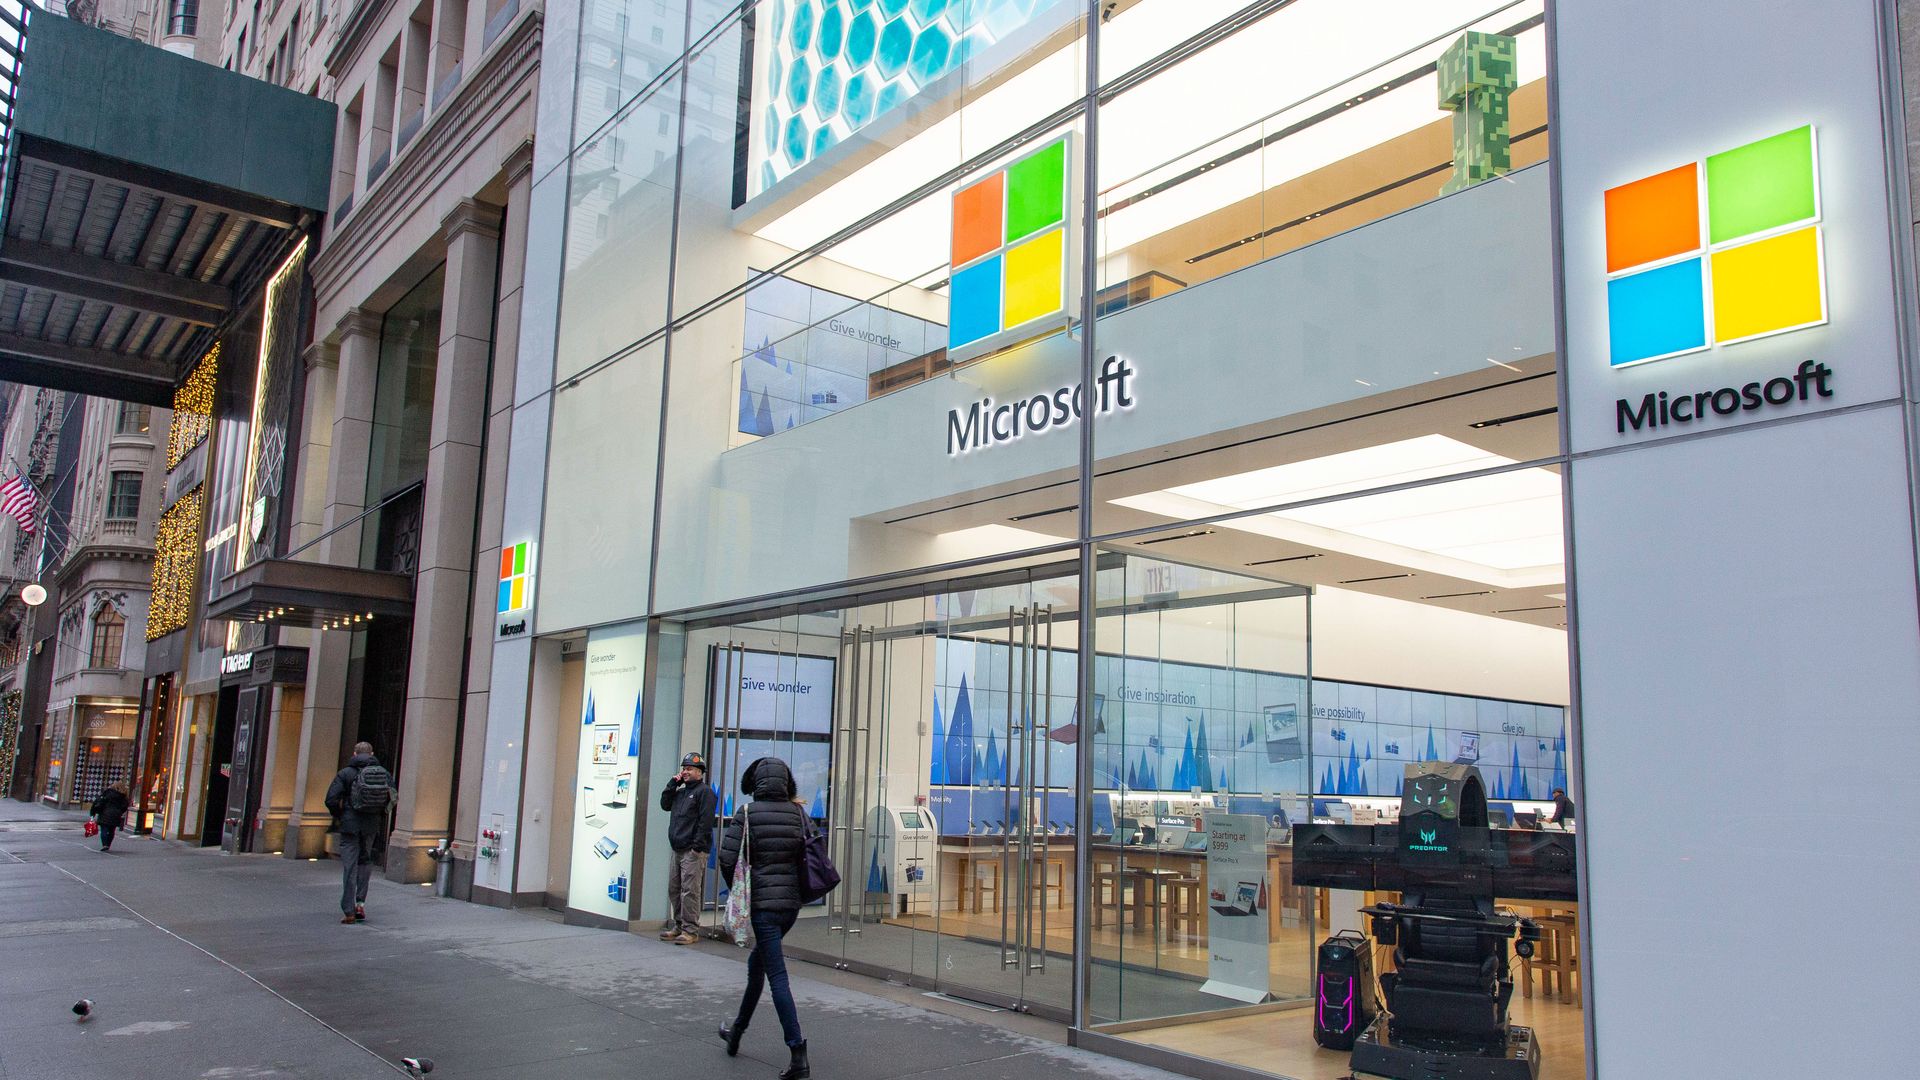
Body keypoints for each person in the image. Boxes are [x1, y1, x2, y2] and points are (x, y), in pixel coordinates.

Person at [717, 757, 809, 1080]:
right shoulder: (798, 813)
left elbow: (726, 858)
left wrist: (741, 891)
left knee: (777, 977)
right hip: (791, 907)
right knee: (756, 966)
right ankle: (737, 1032)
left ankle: (798, 1052)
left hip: (763, 908)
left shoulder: (747, 814)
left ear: (756, 783)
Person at [324, 742, 393, 925]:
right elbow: (392, 797)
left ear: (355, 753)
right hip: (371, 825)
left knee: (350, 866)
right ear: (372, 753)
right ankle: (360, 903)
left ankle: (349, 911)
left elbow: (331, 799)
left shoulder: (345, 773)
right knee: (365, 861)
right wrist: (379, 814)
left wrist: (341, 815)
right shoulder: (383, 773)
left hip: (349, 826)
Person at [658, 751, 718, 944]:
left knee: (689, 890)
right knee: (674, 889)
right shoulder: (681, 792)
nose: (685, 772)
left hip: (693, 851)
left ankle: (691, 930)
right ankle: (679, 925)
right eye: (684, 768)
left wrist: (697, 848)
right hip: (677, 848)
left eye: (690, 769)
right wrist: (672, 784)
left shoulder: (705, 792)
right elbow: (665, 804)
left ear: (700, 772)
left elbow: (705, 822)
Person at [89, 782, 129, 853]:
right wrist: (120, 811)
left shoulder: (107, 793)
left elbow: (98, 802)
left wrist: (93, 813)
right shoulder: (123, 796)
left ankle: (104, 844)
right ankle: (108, 844)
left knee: (104, 829)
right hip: (116, 815)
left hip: (105, 813)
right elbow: (125, 806)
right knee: (111, 830)